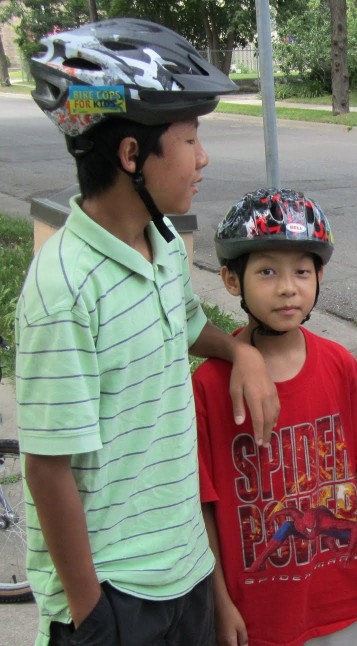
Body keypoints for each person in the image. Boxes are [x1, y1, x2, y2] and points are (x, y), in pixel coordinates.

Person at [17, 18, 278, 645]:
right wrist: (93, 618)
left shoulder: (159, 241)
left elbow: (185, 323)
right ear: (133, 156)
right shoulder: (64, 291)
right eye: (189, 139)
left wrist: (237, 353)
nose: (203, 157)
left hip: (183, 567)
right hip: (116, 594)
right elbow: (47, 469)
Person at [194, 188, 357, 646]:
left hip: (339, 598)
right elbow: (203, 505)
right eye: (266, 271)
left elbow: (356, 471)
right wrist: (218, 601)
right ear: (230, 279)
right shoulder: (208, 385)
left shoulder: (340, 365)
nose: (288, 287)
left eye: (302, 271)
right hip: (258, 614)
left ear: (318, 276)